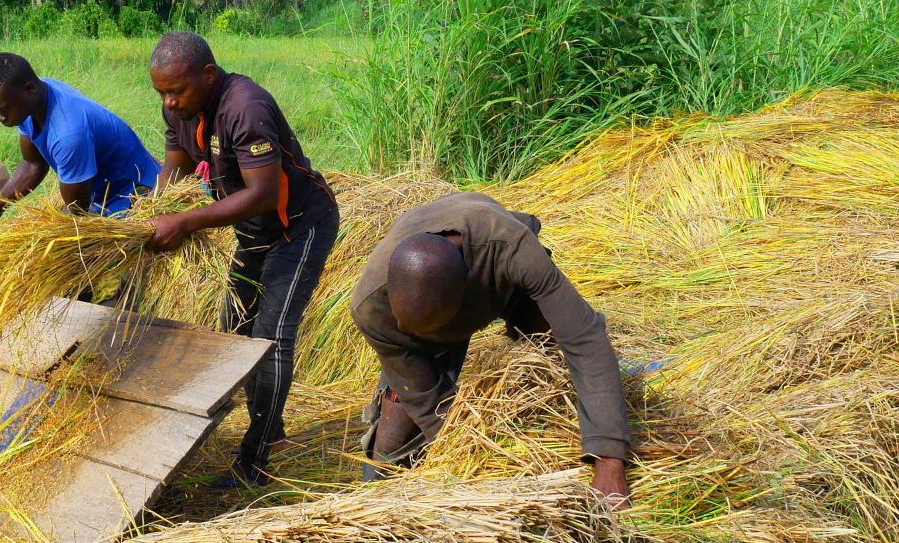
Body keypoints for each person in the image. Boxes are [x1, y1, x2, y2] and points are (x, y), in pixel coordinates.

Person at [143, 31, 340, 488]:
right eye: (162, 93)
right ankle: (271, 430)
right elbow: (174, 167)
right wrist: (150, 216)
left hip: (299, 226)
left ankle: (255, 460)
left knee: (270, 338)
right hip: (254, 229)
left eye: (177, 90)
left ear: (208, 75)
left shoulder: (244, 107)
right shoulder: (185, 109)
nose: (169, 102)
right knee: (236, 330)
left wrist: (186, 221)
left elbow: (262, 194)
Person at [349, 191, 632, 503]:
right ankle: (374, 499)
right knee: (396, 431)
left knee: (554, 346)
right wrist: (475, 465)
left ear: (468, 287)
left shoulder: (511, 249)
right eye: (406, 323)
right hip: (429, 307)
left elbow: (584, 338)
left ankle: (570, 413)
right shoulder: (371, 307)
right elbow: (430, 405)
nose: (406, 331)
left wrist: (609, 460)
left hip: (498, 275)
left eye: (426, 326)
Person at [0, 52, 162, 233]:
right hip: (100, 192)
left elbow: (76, 213)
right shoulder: (31, 100)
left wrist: (40, 239)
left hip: (134, 196)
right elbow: (33, 164)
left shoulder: (69, 134)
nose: (0, 117)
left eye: (4, 109)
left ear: (30, 90)